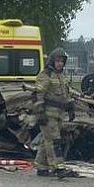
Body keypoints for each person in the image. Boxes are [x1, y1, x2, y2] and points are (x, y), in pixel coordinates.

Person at [33, 47, 80, 178]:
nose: (60, 63)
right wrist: (40, 112)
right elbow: (39, 95)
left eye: (62, 61)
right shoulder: (45, 75)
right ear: (52, 61)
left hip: (59, 114)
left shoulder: (61, 76)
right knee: (54, 141)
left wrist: (71, 107)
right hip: (48, 114)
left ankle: (41, 167)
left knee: (46, 140)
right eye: (57, 60)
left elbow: (66, 93)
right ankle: (58, 167)